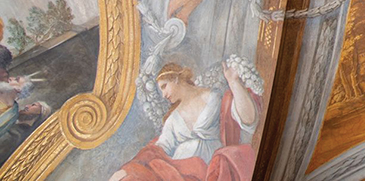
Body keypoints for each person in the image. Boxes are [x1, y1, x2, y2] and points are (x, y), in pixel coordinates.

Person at [107, 61, 259, 181]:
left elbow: (248, 119)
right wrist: (128, 168)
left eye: (164, 87)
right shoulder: (173, 119)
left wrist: (233, 82)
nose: (164, 95)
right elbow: (157, 150)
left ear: (175, 78)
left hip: (211, 168)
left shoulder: (214, 97)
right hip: (179, 170)